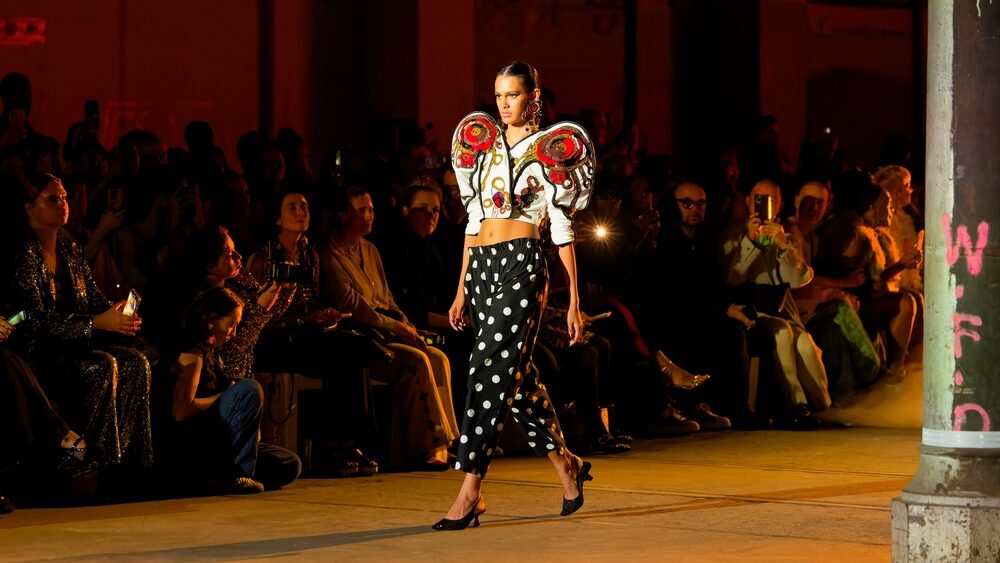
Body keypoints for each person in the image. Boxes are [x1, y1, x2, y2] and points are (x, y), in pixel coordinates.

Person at [434, 61, 596, 530]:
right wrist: (462, 289)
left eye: (513, 95)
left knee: (484, 370)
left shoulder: (553, 150)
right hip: (482, 266)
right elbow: (472, 222)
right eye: (499, 95)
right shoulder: (480, 147)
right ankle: (566, 464)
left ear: (534, 96)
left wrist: (573, 301)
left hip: (523, 262)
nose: (504, 103)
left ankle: (470, 491)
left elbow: (563, 229)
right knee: (515, 378)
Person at [8, 172, 154, 476]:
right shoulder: (21, 252)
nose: (63, 204)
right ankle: (89, 464)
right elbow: (33, 319)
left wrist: (115, 314)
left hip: (73, 345)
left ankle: (132, 465)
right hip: (38, 351)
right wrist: (96, 323)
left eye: (64, 197)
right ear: (28, 206)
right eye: (52, 198)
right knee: (102, 366)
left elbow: (93, 300)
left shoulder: (70, 250)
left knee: (136, 362)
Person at [318, 185, 459, 470]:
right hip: (364, 337)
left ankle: (443, 445)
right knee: (417, 360)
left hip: (387, 330)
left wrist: (408, 325)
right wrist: (399, 328)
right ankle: (422, 448)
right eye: (361, 210)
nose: (370, 215)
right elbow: (355, 305)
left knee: (438, 357)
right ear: (343, 215)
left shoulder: (369, 250)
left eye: (371, 209)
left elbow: (388, 298)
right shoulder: (329, 253)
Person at [719, 179, 830, 426]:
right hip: (752, 308)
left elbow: (800, 278)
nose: (764, 205)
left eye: (771, 200)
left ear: (779, 205)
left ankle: (823, 407)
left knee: (806, 344)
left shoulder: (784, 236)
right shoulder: (734, 235)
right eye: (759, 198)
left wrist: (783, 249)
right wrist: (751, 242)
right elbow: (732, 277)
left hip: (781, 308)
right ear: (749, 201)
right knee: (782, 333)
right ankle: (795, 405)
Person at [168, 287, 298, 493]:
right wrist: (226, 396)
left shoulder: (214, 352)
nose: (234, 333)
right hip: (198, 440)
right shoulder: (193, 353)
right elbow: (182, 410)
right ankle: (236, 474)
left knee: (288, 463)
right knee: (249, 388)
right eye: (231, 325)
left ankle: (224, 473)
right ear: (211, 320)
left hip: (221, 440)